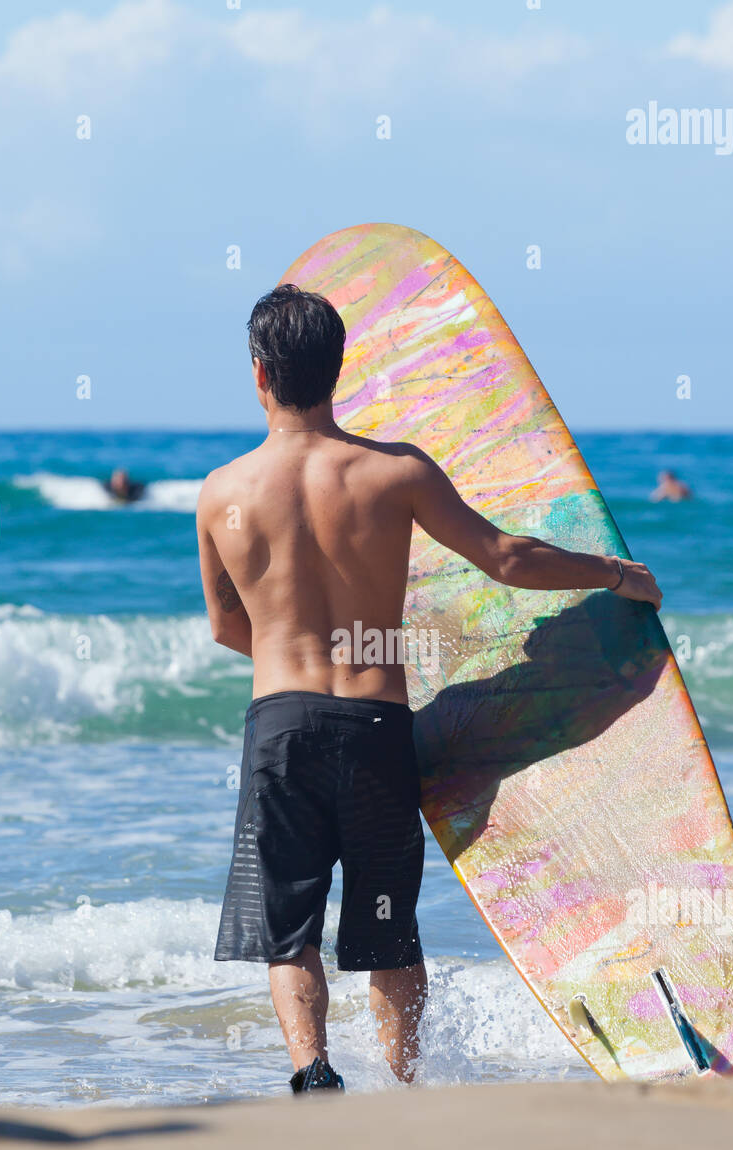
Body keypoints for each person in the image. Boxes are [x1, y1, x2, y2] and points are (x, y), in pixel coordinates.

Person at [196, 284, 662, 1096]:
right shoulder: (394, 472)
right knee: (387, 927)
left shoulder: (221, 492)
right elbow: (507, 559)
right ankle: (404, 1085)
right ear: (338, 370)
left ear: (260, 376)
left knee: (287, 928)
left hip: (279, 725)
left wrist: (291, 662)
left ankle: (312, 1070)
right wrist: (615, 574)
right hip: (376, 726)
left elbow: (226, 628)